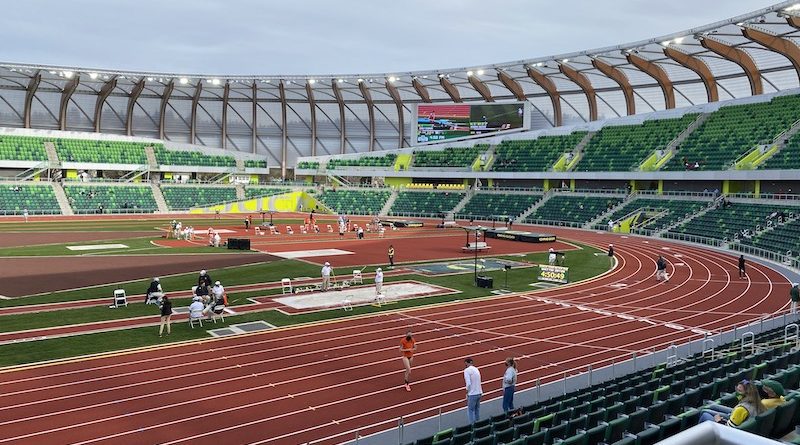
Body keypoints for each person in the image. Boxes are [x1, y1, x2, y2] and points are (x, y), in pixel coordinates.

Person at [464, 358, 483, 424]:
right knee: (477, 410)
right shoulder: (476, 369)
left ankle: (472, 426)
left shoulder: (467, 371)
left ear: (466, 363)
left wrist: (467, 391)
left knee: (470, 410)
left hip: (472, 394)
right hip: (479, 392)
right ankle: (478, 425)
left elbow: (468, 383)